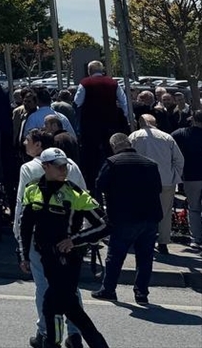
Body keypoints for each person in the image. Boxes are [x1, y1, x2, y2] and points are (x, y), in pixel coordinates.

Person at [19, 148, 111, 348]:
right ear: (45, 167)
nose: (64, 170)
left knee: (52, 304)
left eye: (65, 166)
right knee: (67, 309)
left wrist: (75, 240)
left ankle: (53, 343)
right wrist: (23, 255)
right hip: (45, 257)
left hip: (68, 260)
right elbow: (25, 226)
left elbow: (105, 225)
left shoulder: (75, 193)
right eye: (58, 166)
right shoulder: (32, 189)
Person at [14, 133, 87, 348]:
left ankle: (46, 332)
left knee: (44, 287)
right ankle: (74, 334)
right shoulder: (71, 165)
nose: (25, 143)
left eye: (27, 140)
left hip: (41, 236)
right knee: (71, 287)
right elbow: (83, 196)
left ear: (38, 146)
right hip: (69, 235)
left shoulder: (29, 168)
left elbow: (22, 206)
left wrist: (20, 241)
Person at [92, 132, 162, 305]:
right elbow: (158, 188)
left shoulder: (112, 163)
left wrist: (102, 212)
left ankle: (108, 289)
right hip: (150, 217)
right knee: (145, 258)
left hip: (124, 217)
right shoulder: (150, 164)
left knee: (115, 256)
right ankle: (141, 293)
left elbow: (98, 186)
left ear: (114, 146)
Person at [128, 114, 185, 255]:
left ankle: (141, 240)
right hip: (165, 180)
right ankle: (163, 243)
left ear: (141, 123)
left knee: (141, 212)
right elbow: (179, 160)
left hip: (141, 182)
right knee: (164, 213)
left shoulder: (134, 136)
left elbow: (127, 156)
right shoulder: (167, 137)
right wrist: (174, 176)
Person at [75, 61, 130, 190]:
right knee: (111, 154)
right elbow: (124, 102)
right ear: (102, 70)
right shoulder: (113, 83)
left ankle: (93, 187)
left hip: (90, 127)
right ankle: (114, 183)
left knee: (91, 158)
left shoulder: (84, 83)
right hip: (110, 125)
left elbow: (77, 102)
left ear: (89, 71)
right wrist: (124, 117)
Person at [172, 110, 202, 249]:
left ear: (193, 120)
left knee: (194, 208)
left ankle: (196, 238)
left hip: (191, 175)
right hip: (192, 175)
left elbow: (169, 142)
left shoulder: (182, 133)